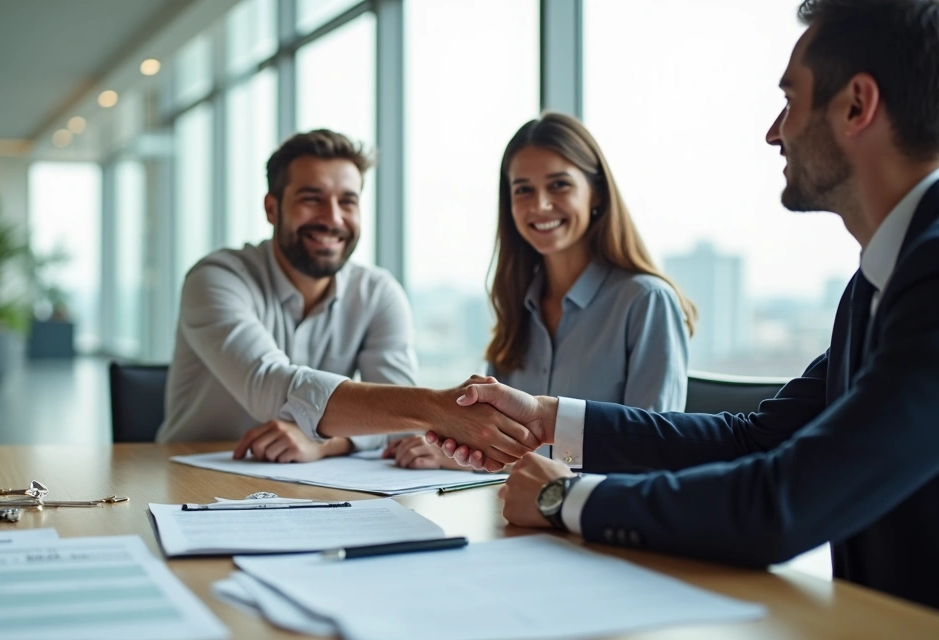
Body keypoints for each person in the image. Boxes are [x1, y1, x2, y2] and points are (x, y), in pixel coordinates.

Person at [431, 0, 939, 610]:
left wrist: (561, 499)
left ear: (857, 106)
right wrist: (545, 417)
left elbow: (783, 503)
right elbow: (756, 439)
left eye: (791, 100)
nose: (774, 131)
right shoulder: (876, 285)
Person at [385, 114, 696, 470]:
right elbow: (502, 443)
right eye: (523, 190)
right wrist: (450, 452)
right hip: (517, 513)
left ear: (595, 192)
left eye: (559, 185)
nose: (540, 205)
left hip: (599, 516)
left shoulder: (646, 301)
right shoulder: (518, 302)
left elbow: (652, 452)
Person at [156, 129, 420, 461]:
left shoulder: (378, 293)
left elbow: (400, 421)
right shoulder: (216, 278)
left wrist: (324, 443)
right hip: (193, 481)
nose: (333, 218)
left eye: (348, 201)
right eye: (312, 198)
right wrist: (433, 407)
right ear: (272, 208)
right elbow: (269, 386)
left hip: (315, 489)